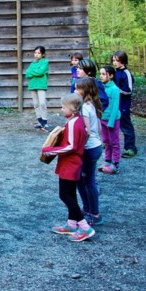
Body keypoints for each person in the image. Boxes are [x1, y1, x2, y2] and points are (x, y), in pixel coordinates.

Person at [42, 93, 94, 242]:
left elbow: (71, 146)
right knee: (70, 194)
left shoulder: (73, 123)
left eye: (63, 107)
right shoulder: (76, 120)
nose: (62, 109)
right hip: (71, 163)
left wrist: (50, 150)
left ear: (72, 108)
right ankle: (71, 224)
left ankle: (85, 227)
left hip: (70, 164)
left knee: (64, 195)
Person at [74, 77, 103, 226]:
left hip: (89, 149)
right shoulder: (92, 104)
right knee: (81, 179)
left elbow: (87, 132)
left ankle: (94, 213)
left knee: (88, 181)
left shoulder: (85, 107)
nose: (75, 91)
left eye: (78, 88)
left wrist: (78, 147)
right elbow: (98, 128)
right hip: (96, 147)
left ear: (85, 91)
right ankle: (87, 208)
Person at [112, 50, 138, 158]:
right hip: (114, 103)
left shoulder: (126, 73)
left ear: (123, 61)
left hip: (123, 104)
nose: (114, 63)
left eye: (117, 61)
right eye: (113, 60)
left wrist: (116, 90)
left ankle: (131, 148)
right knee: (110, 123)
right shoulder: (115, 72)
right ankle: (109, 143)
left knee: (125, 125)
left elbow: (128, 90)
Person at [98, 65, 122, 175]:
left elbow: (115, 107)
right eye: (100, 74)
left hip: (112, 120)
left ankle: (115, 164)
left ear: (111, 76)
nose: (101, 76)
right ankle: (107, 161)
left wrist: (111, 122)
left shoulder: (115, 89)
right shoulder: (101, 88)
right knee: (106, 142)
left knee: (114, 142)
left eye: (103, 74)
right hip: (103, 119)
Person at [25, 46, 50, 131]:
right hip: (32, 85)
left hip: (41, 85)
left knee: (42, 103)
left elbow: (41, 72)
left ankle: (45, 121)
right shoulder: (32, 64)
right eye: (35, 52)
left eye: (39, 53)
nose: (36, 54)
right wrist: (35, 72)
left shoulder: (45, 62)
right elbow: (27, 74)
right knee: (36, 104)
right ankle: (39, 121)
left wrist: (33, 72)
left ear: (43, 54)